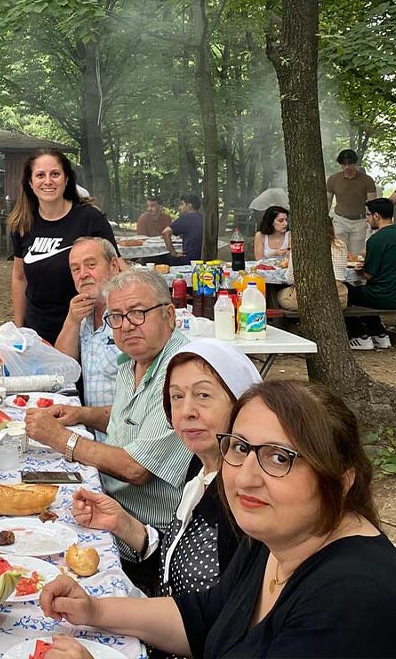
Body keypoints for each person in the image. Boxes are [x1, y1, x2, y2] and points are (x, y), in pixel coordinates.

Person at [38, 380, 396, 659]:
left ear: (342, 480)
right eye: (240, 448)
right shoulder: (276, 539)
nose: (247, 477)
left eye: (280, 457)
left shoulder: (350, 600)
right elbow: (205, 618)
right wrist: (94, 610)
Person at [25, 268, 192, 581]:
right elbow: (132, 417)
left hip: (147, 538)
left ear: (169, 314)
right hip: (110, 503)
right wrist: (83, 415)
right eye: (116, 316)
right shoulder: (134, 361)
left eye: (138, 313)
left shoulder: (180, 374)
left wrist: (62, 440)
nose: (127, 325)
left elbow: (136, 469)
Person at [71, 339, 259, 617]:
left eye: (203, 395)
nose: (187, 411)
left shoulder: (245, 496)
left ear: (240, 403)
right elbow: (175, 569)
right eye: (177, 397)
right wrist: (122, 524)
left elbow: (224, 618)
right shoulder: (199, 468)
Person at [8, 149, 117, 345]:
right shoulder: (22, 224)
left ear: (66, 179)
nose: (48, 181)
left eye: (55, 174)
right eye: (40, 175)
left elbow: (116, 269)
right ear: (30, 183)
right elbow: (19, 276)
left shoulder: (90, 218)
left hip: (84, 327)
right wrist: (19, 328)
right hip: (38, 330)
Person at [54, 237, 124, 413]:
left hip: (127, 433)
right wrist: (72, 321)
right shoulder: (83, 314)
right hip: (94, 430)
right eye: (75, 269)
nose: (83, 274)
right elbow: (61, 369)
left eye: (91, 265)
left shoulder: (130, 313)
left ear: (114, 266)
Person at [347, 198, 396, 350]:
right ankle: (379, 334)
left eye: (368, 215)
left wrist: (361, 270)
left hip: (384, 296)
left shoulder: (377, 239)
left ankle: (358, 335)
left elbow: (369, 275)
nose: (367, 219)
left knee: (344, 292)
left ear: (376, 216)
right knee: (363, 293)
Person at [276, 222, 349, 311]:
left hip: (307, 299)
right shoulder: (340, 245)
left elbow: (291, 278)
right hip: (338, 300)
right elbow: (339, 278)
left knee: (278, 294)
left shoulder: (299, 245)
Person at [327, 149, 378, 256]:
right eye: (344, 164)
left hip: (359, 221)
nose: (347, 167)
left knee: (357, 254)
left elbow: (372, 203)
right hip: (340, 220)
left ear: (355, 163)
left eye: (350, 164)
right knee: (338, 253)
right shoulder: (333, 179)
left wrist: (372, 221)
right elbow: (328, 201)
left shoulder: (367, 180)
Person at [162, 194, 203, 264]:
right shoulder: (203, 218)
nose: (179, 207)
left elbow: (165, 232)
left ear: (189, 206)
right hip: (204, 258)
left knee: (159, 258)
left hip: (189, 259)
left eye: (182, 204)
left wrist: (173, 253)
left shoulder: (186, 218)